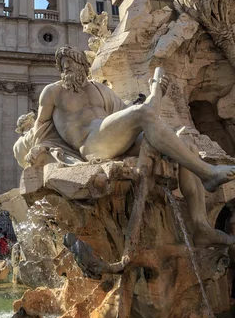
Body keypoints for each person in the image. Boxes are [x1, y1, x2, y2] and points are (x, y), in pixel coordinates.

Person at [32, 45, 235, 246]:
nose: (66, 68)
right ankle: (207, 173)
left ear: (83, 65)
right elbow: (40, 127)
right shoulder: (53, 92)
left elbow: (130, 115)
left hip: (115, 140)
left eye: (70, 63)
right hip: (91, 144)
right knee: (144, 112)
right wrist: (40, 148)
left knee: (186, 145)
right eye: (63, 65)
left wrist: (155, 97)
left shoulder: (100, 89)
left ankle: (201, 227)